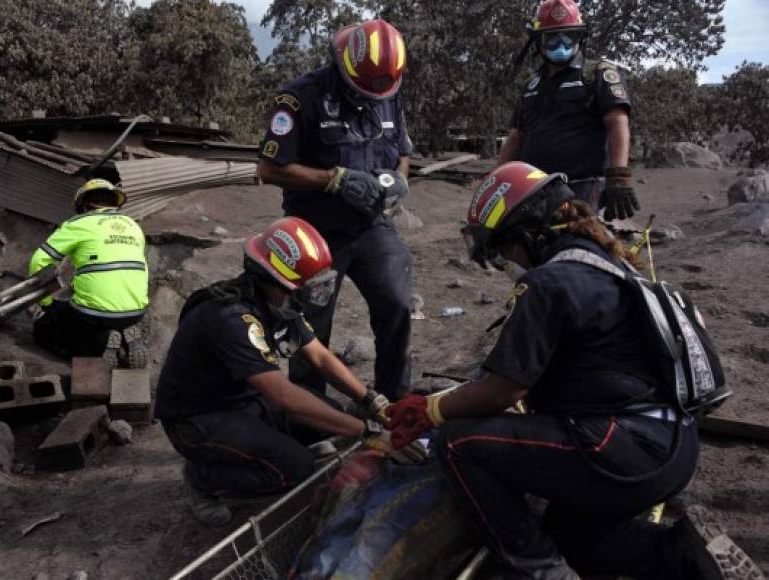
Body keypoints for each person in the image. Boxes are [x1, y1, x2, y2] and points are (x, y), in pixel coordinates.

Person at [383, 162, 762, 579]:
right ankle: (684, 555)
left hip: (623, 449)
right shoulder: (611, 266)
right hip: (674, 448)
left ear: (527, 233)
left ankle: (541, 572)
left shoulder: (550, 282)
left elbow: (503, 390)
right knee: (574, 538)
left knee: (458, 443)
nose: (504, 264)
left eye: (502, 251)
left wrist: (431, 409)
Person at [154, 217, 419, 526]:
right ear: (272, 279)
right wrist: (367, 431)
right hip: (198, 418)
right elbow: (284, 396)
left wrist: (372, 402)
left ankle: (273, 450)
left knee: (328, 418)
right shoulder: (231, 318)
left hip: (243, 402)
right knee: (296, 472)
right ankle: (203, 479)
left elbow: (319, 357)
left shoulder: (281, 303)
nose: (310, 299)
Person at [257, 19, 413, 402]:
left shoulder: (387, 90)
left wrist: (397, 182)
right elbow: (269, 168)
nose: (369, 100)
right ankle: (311, 421)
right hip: (315, 233)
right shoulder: (299, 99)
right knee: (310, 326)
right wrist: (333, 179)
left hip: (371, 225)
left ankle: (394, 402)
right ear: (343, 66)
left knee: (397, 303)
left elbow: (403, 152)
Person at [498, 0, 639, 221]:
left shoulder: (598, 74)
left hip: (583, 190)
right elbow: (516, 138)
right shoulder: (531, 85)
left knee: (579, 248)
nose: (560, 44)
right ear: (538, 42)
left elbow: (617, 123)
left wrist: (618, 177)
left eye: (567, 37)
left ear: (579, 38)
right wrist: (497, 182)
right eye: (551, 38)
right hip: (534, 192)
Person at [29, 178, 149, 366]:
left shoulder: (79, 224)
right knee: (78, 309)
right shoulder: (133, 226)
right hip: (136, 311)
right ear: (113, 203)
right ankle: (124, 337)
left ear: (84, 206)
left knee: (44, 329)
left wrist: (45, 303)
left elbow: (39, 260)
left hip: (94, 315)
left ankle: (101, 345)